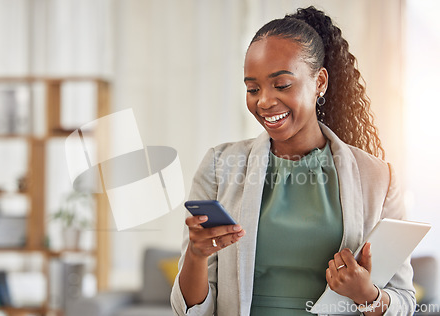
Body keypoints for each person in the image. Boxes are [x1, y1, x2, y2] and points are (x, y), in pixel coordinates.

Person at [170, 6, 415, 316]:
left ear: (320, 82)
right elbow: (188, 310)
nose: (264, 101)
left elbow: (405, 301)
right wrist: (196, 256)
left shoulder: (378, 178)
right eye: (252, 89)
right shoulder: (220, 165)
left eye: (282, 85)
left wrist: (365, 293)